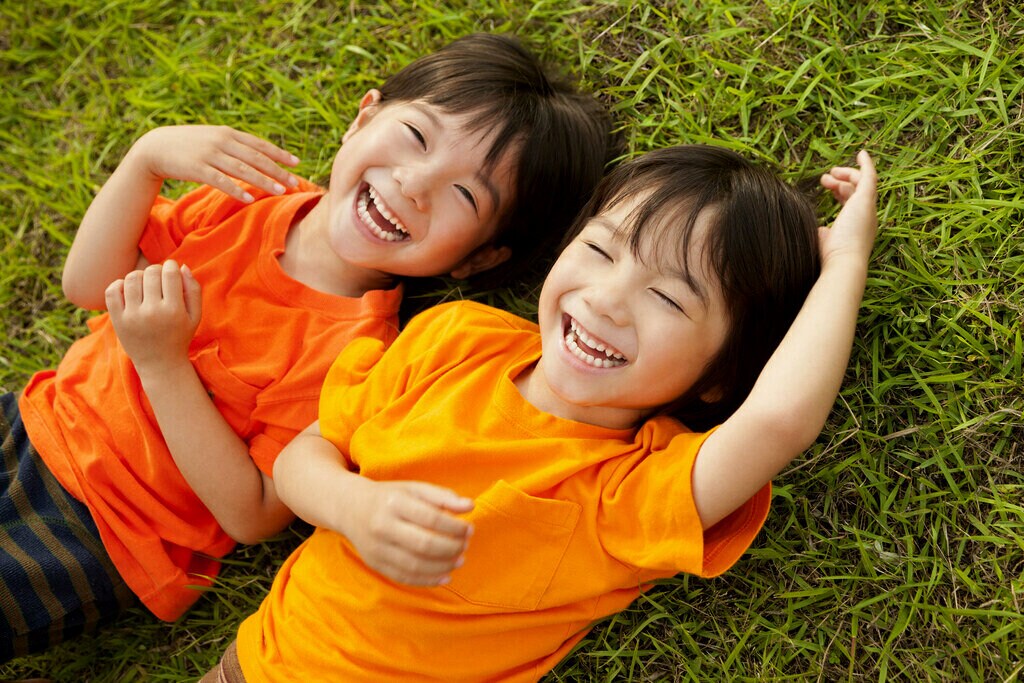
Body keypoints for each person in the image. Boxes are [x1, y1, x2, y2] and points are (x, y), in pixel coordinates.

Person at [0, 33, 612, 661]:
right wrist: (146, 159)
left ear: (479, 257)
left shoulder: (357, 351)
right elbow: (88, 285)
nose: (413, 182)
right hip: (28, 417)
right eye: (417, 137)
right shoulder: (243, 202)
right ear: (364, 116)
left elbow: (253, 513)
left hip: (104, 532)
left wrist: (163, 364)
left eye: (465, 195)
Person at [199, 145, 878, 682]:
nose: (608, 299)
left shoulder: (627, 490)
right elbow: (301, 457)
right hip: (248, 663)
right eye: (601, 250)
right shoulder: (454, 337)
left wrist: (845, 259)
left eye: (669, 300)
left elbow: (780, 421)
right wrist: (352, 506)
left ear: (719, 377)